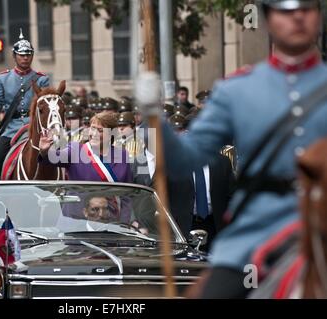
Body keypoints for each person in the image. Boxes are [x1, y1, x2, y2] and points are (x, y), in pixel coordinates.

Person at [140, 0, 327, 298]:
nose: (298, 18)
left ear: (318, 16)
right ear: (267, 18)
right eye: (286, 11)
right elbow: (185, 161)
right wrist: (155, 118)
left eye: (307, 9)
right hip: (256, 232)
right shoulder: (236, 90)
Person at [0, 29, 49, 180]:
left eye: (28, 54)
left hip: (35, 126)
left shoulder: (41, 79)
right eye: (22, 55)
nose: (25, 58)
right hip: (11, 128)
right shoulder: (2, 78)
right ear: (15, 56)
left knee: (57, 154)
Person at [38, 111, 132, 183]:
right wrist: (44, 152)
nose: (94, 134)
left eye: (100, 130)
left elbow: (127, 192)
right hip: (80, 207)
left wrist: (124, 209)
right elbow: (54, 158)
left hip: (111, 208)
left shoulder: (122, 155)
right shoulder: (75, 150)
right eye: (92, 128)